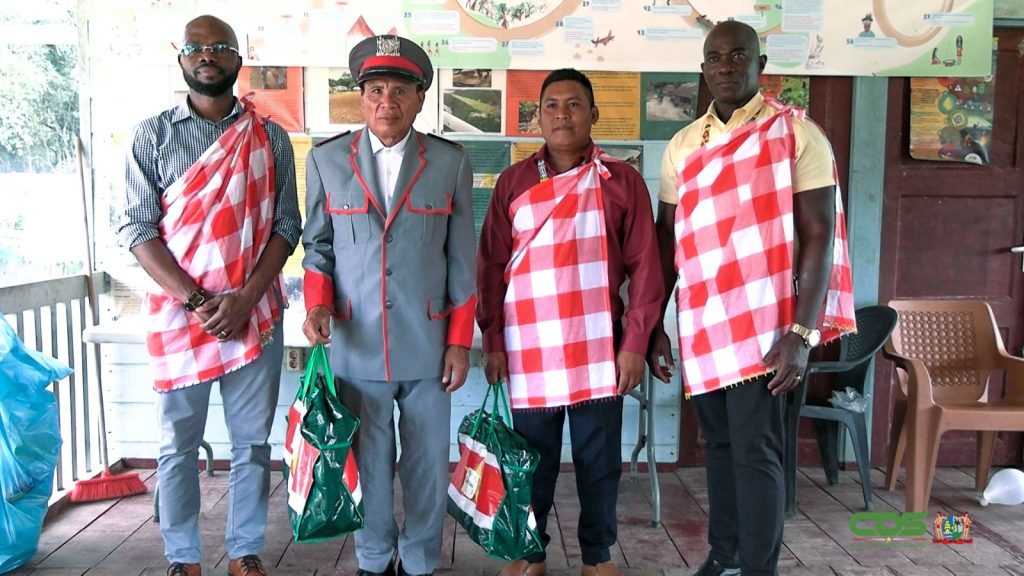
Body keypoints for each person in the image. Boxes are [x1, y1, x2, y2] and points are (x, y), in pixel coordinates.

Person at [648, 21, 855, 576]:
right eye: (715, 57)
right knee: (719, 445)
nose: (726, 66)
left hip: (765, 326)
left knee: (755, 449)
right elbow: (668, 239)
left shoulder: (795, 134)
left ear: (760, 65)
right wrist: (654, 324)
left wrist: (802, 333)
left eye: (739, 55)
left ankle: (760, 568)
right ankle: (725, 555)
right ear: (703, 69)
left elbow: (819, 234)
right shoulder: (684, 144)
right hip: (703, 320)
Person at [118, 14, 300, 576]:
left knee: (251, 445)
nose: (207, 56)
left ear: (237, 61)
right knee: (177, 446)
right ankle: (183, 557)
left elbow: (286, 225)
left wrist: (244, 299)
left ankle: (245, 552)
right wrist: (197, 301)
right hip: (180, 317)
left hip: (254, 312)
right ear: (181, 59)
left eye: (220, 47)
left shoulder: (269, 137)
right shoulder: (152, 135)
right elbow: (136, 229)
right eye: (195, 47)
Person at [477, 68, 663, 576]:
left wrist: (635, 343)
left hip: (599, 346)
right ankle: (530, 552)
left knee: (598, 463)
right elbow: (491, 264)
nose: (562, 114)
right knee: (529, 462)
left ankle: (597, 556)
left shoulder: (621, 181)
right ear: (538, 118)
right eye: (552, 106)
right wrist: (492, 340)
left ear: (593, 114)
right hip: (529, 347)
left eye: (574, 104)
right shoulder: (514, 182)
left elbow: (646, 266)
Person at [301, 35, 476, 576]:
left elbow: (462, 261)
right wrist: (317, 306)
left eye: (400, 91)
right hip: (357, 345)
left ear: (420, 98)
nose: (386, 102)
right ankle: (374, 558)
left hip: (428, 348)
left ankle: (419, 561)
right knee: (368, 464)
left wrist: (459, 342)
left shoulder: (448, 162)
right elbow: (318, 248)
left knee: (427, 465)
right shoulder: (327, 160)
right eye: (375, 90)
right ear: (361, 98)